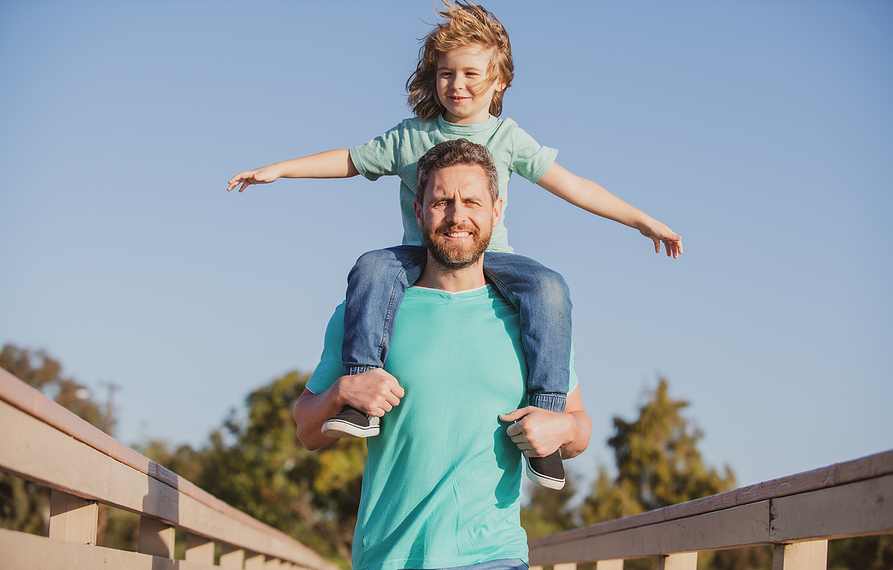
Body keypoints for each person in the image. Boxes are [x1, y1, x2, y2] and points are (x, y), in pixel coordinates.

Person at [229, 1, 682, 490]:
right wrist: (279, 169)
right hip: (419, 256)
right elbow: (348, 160)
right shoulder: (411, 137)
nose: (457, 85)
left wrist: (641, 220)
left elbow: (574, 186)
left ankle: (545, 422)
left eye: (471, 73)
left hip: (494, 259)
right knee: (372, 267)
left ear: (499, 81)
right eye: (446, 74)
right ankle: (361, 394)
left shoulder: (507, 137)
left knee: (550, 287)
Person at [293, 139, 592, 570]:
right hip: (387, 558)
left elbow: (580, 429)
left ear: (497, 210)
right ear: (418, 211)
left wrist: (561, 426)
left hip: (495, 556)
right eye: (441, 202)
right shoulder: (365, 314)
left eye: (472, 201)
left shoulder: (536, 323)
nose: (457, 216)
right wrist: (341, 391)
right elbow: (306, 429)